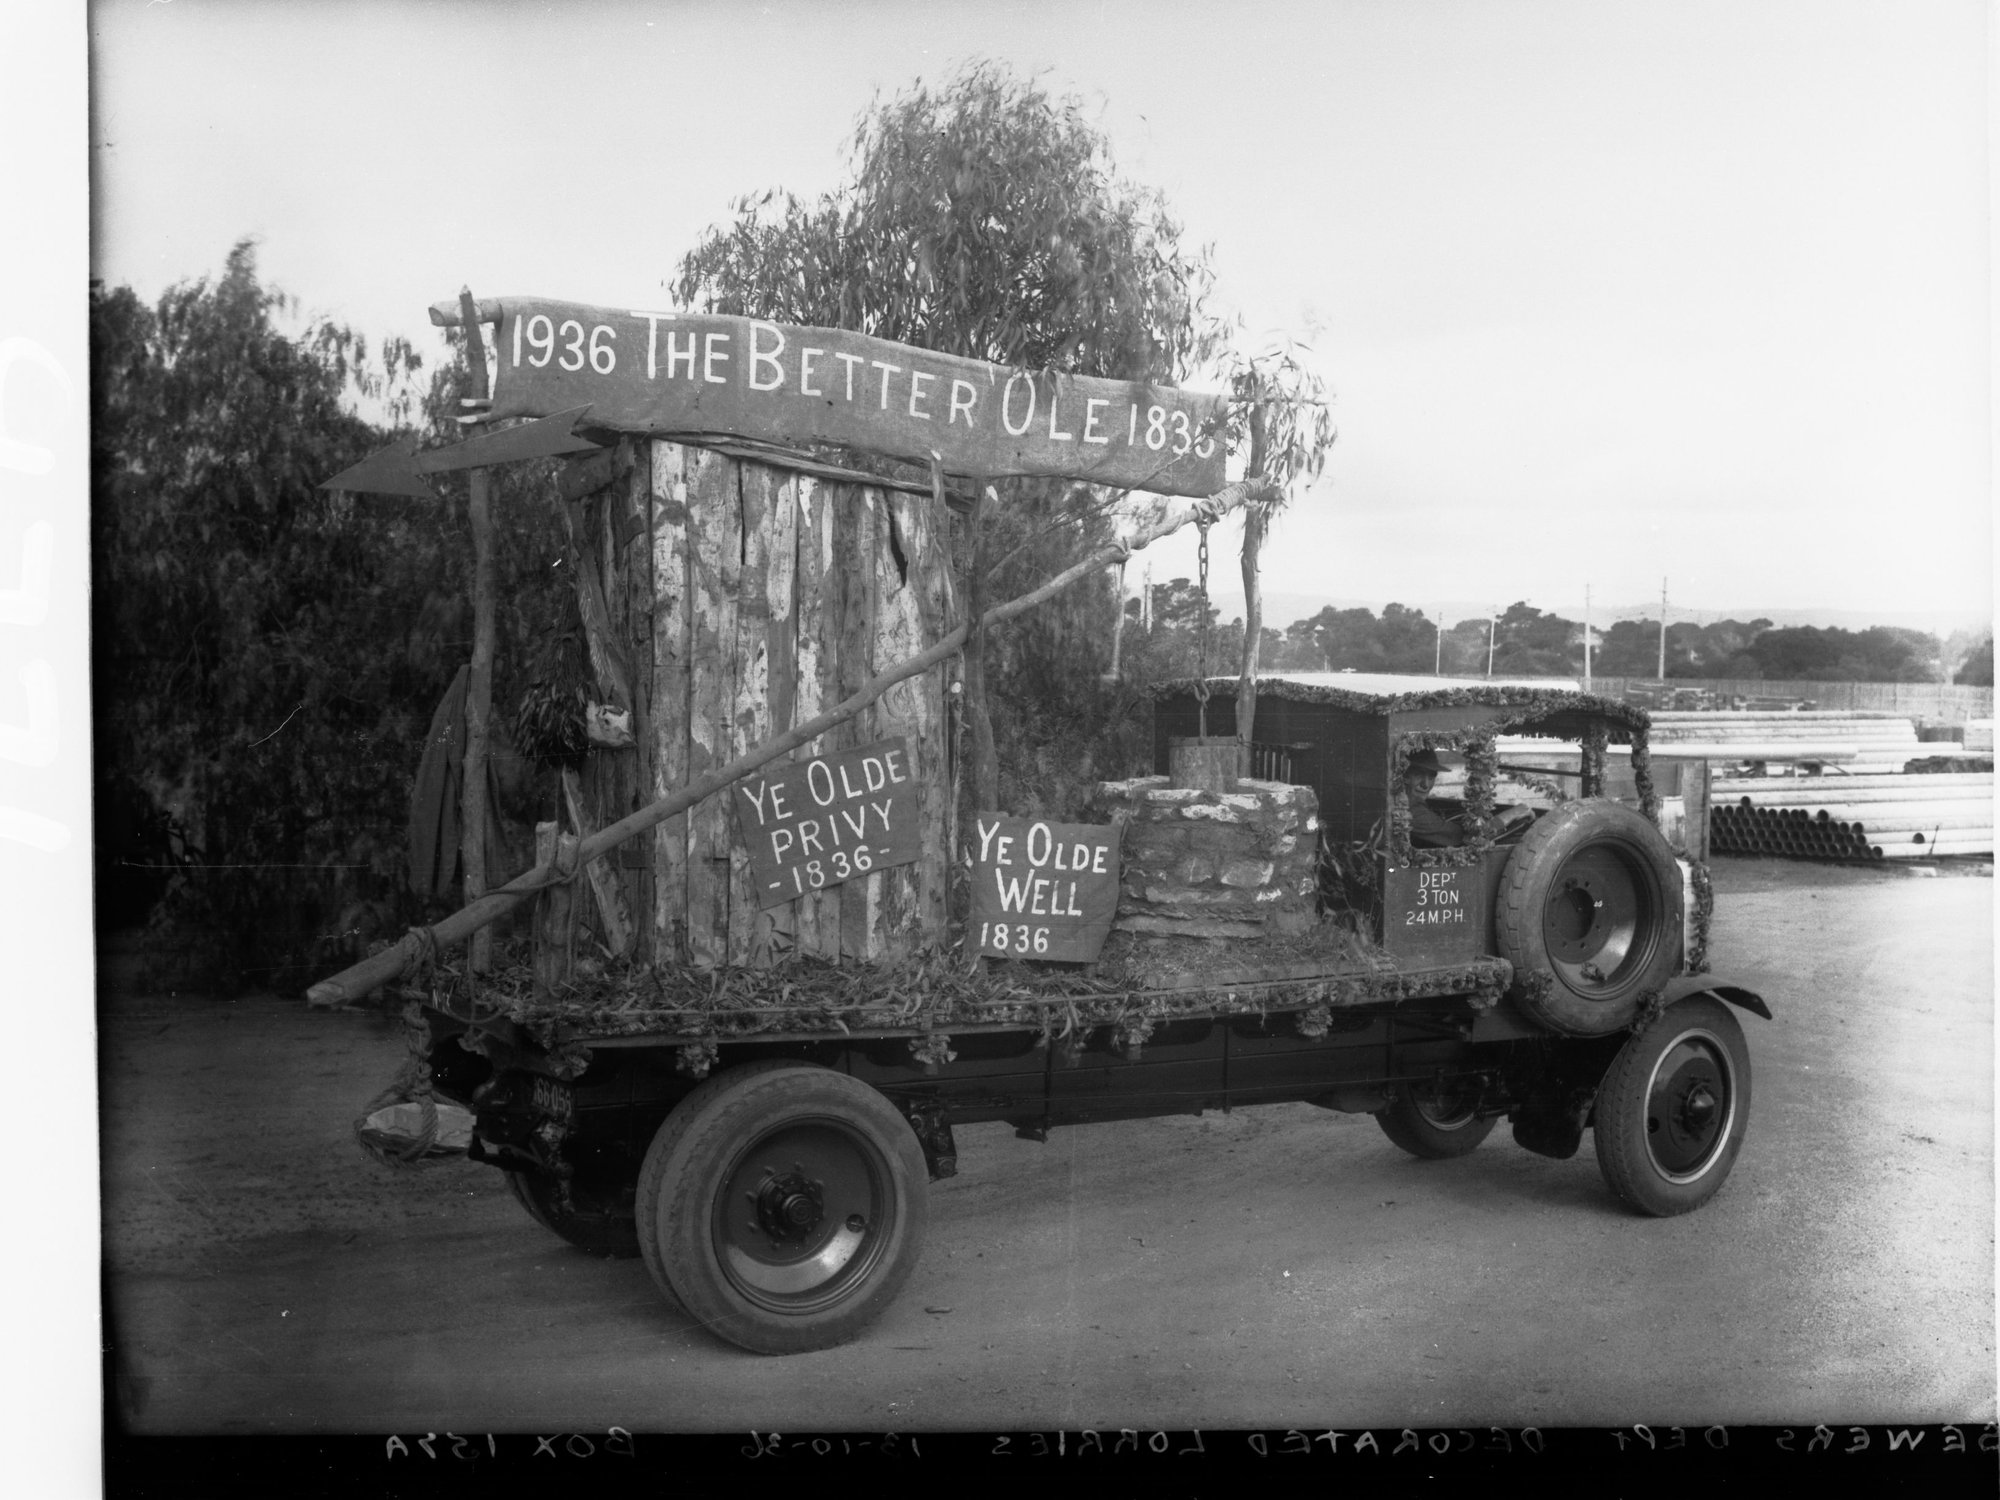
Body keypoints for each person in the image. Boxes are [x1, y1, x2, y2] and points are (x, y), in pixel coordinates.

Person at [1402, 747, 1464, 848]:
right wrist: (1497, 823)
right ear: (1404, 777)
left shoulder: (1410, 803)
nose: (1426, 785)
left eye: (1431, 777)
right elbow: (1454, 835)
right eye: (1418, 775)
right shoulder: (1412, 808)